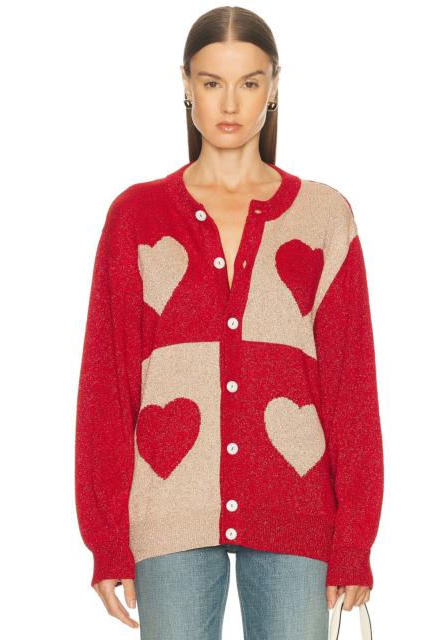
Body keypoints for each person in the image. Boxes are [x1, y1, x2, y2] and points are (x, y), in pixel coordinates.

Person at [74, 6, 384, 640]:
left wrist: (355, 537)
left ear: (274, 86)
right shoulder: (136, 217)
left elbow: (350, 386)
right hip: (169, 506)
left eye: (250, 81)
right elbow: (108, 384)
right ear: (186, 84)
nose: (231, 103)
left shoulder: (324, 217)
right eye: (212, 81)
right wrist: (106, 539)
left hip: (296, 508)